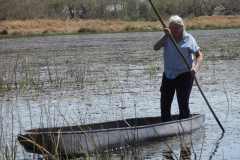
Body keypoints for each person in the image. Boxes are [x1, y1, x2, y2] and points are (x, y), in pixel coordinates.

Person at [153, 15, 203, 122]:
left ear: (182, 27)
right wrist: (165, 36)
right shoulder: (167, 38)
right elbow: (155, 48)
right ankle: (166, 127)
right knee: (165, 105)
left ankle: (185, 128)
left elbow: (199, 55)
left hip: (185, 75)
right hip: (168, 75)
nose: (174, 30)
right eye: (172, 28)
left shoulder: (189, 38)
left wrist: (195, 68)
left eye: (176, 28)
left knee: (183, 103)